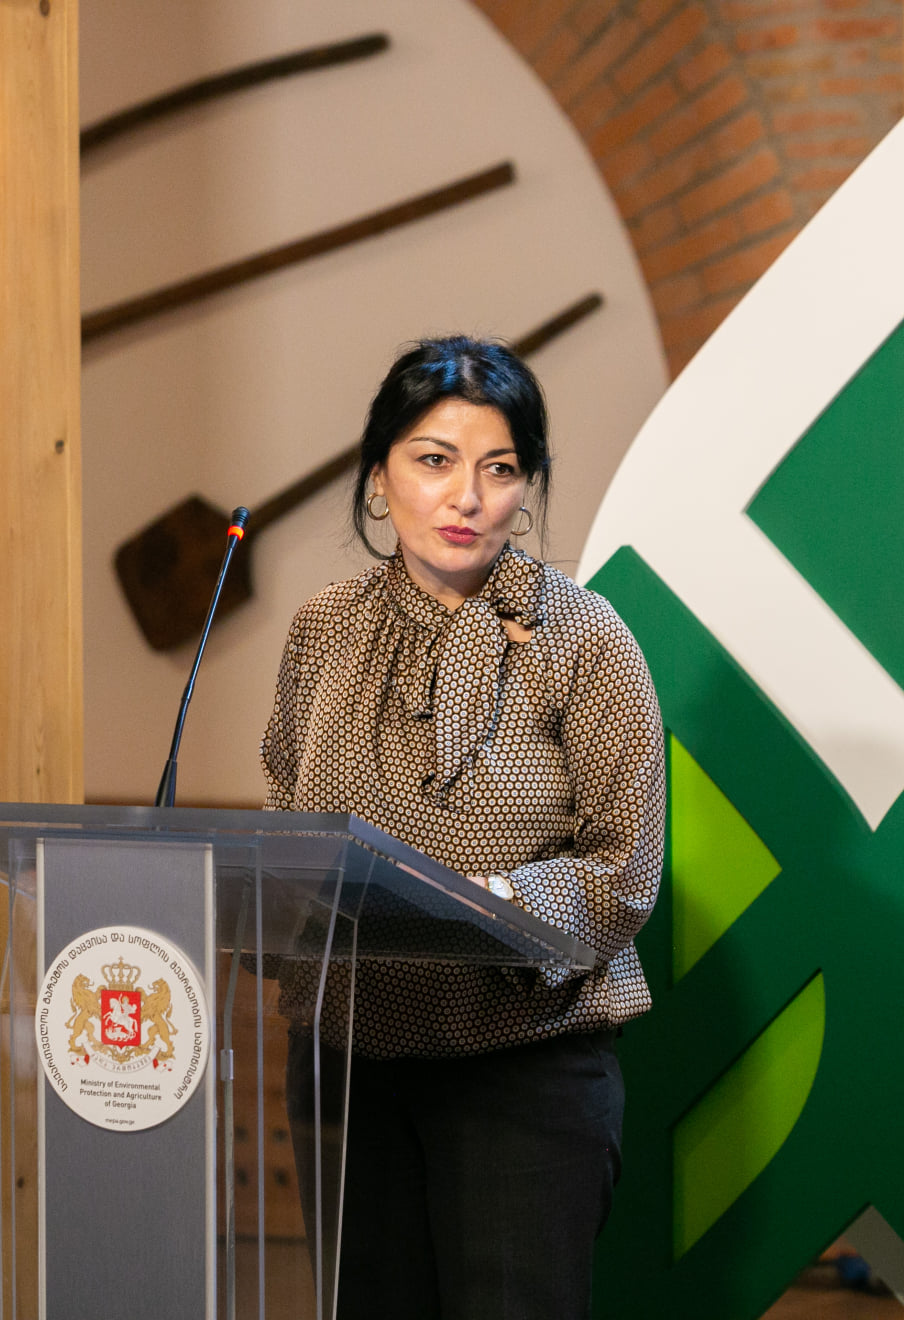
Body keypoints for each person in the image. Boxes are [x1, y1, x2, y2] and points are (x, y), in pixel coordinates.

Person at [260, 336, 664, 1318]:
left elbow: (625, 869)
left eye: (500, 468)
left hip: (522, 1075)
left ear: (528, 487)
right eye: (434, 461)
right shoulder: (322, 629)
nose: (468, 496)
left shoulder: (587, 637)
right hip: (348, 1070)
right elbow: (283, 807)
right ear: (379, 477)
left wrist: (487, 905)